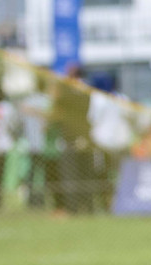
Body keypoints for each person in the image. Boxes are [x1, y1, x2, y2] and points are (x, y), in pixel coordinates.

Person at [49, 64, 94, 212]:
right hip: (85, 137)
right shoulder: (87, 90)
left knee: (71, 175)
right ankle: (87, 206)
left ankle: (73, 207)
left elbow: (57, 109)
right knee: (85, 175)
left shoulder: (67, 91)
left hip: (71, 137)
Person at [88, 72, 135, 209]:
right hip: (121, 142)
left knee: (104, 174)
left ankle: (109, 203)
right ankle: (119, 202)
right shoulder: (122, 98)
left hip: (102, 142)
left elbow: (92, 119)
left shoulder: (97, 98)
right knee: (119, 173)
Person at [19, 75, 52, 208]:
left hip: (30, 143)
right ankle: (44, 199)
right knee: (45, 174)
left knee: (31, 174)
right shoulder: (48, 102)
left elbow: (20, 123)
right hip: (45, 145)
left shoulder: (27, 102)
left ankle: (31, 199)